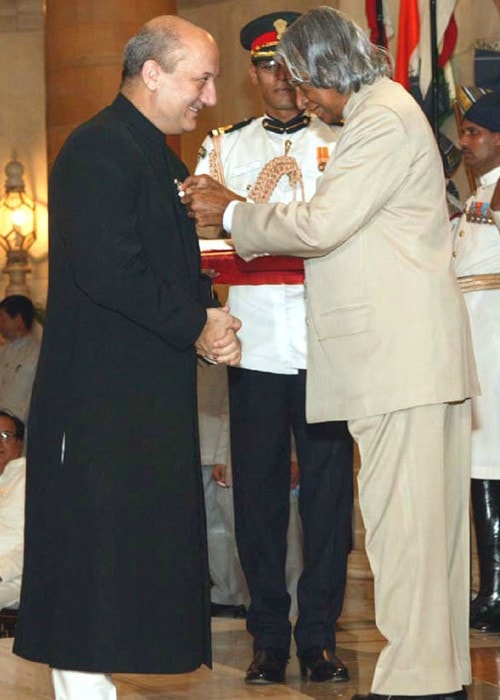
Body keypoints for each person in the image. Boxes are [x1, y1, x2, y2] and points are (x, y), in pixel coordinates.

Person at [182, 6, 478, 700]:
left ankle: (415, 685)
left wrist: (228, 211)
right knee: (423, 534)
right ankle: (437, 676)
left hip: (395, 359)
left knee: (407, 535)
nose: (302, 97)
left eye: (304, 81)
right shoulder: (384, 111)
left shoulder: (377, 117)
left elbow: (321, 224)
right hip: (404, 358)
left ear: (325, 69)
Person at [13, 15, 241, 700]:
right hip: (98, 403)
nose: (207, 98)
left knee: (127, 554)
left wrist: (208, 312)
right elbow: (111, 270)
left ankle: (92, 681)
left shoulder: (158, 157)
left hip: (139, 399)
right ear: (152, 73)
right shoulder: (97, 150)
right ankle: (84, 686)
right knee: (92, 555)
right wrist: (196, 325)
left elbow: (168, 267)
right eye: (200, 80)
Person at [194, 11, 353, 685]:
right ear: (253, 73)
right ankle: (267, 637)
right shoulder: (223, 149)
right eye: (266, 65)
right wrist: (206, 318)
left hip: (327, 345)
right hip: (253, 345)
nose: (280, 78)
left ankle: (317, 637)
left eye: (289, 64)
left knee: (327, 502)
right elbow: (198, 243)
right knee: (256, 499)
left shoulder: (346, 142)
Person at [453, 90, 500, 633]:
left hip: (493, 340)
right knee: (480, 465)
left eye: (474, 133)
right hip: (475, 340)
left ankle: (494, 591)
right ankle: (489, 586)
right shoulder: (477, 198)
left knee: (488, 463)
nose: (465, 141)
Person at [0, 295, 40, 422]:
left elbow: (34, 395)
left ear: (18, 319)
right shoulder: (2, 351)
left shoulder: (36, 353)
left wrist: (15, 421)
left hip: (18, 424)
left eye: (2, 318)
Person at [0, 410, 25, 610]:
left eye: (5, 436)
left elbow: (37, 540)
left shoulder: (32, 479)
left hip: (14, 577)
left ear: (19, 443)